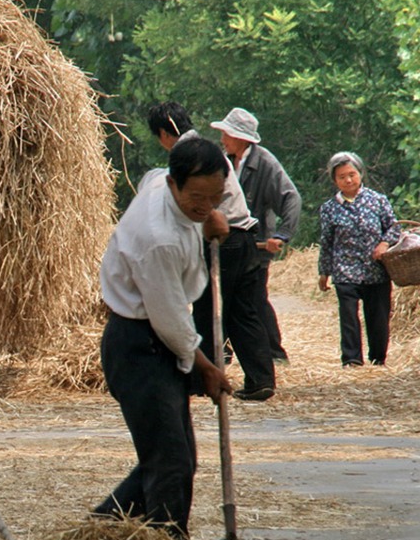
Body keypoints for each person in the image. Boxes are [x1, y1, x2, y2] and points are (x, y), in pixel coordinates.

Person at [94, 137, 233, 540]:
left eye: (215, 196)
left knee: (173, 458)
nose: (205, 205)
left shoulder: (159, 181)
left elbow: (162, 179)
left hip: (157, 340)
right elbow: (170, 319)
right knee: (170, 462)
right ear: (174, 184)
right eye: (196, 197)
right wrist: (205, 366)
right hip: (140, 345)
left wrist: (205, 218)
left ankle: (101, 530)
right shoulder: (159, 240)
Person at [147, 101, 275, 401]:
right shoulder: (205, 149)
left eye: (159, 136)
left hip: (223, 241)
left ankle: (201, 381)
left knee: (208, 310)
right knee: (243, 313)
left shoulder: (189, 155)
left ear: (166, 133)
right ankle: (261, 379)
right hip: (244, 237)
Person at [211, 108, 301, 364]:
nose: (223, 138)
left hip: (254, 244)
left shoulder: (265, 163)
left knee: (254, 298)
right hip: (226, 243)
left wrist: (283, 235)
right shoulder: (223, 160)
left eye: (226, 133)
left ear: (241, 137)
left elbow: (291, 198)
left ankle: (274, 353)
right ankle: (224, 351)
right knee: (224, 297)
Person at [318, 151, 401, 367]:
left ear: (360, 174)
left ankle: (378, 358)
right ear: (334, 180)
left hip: (376, 270)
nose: (348, 180)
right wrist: (324, 272)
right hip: (345, 270)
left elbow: (393, 227)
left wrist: (383, 244)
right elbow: (326, 242)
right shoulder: (329, 208)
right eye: (342, 176)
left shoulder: (377, 200)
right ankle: (352, 359)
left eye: (351, 174)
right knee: (348, 317)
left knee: (378, 317)